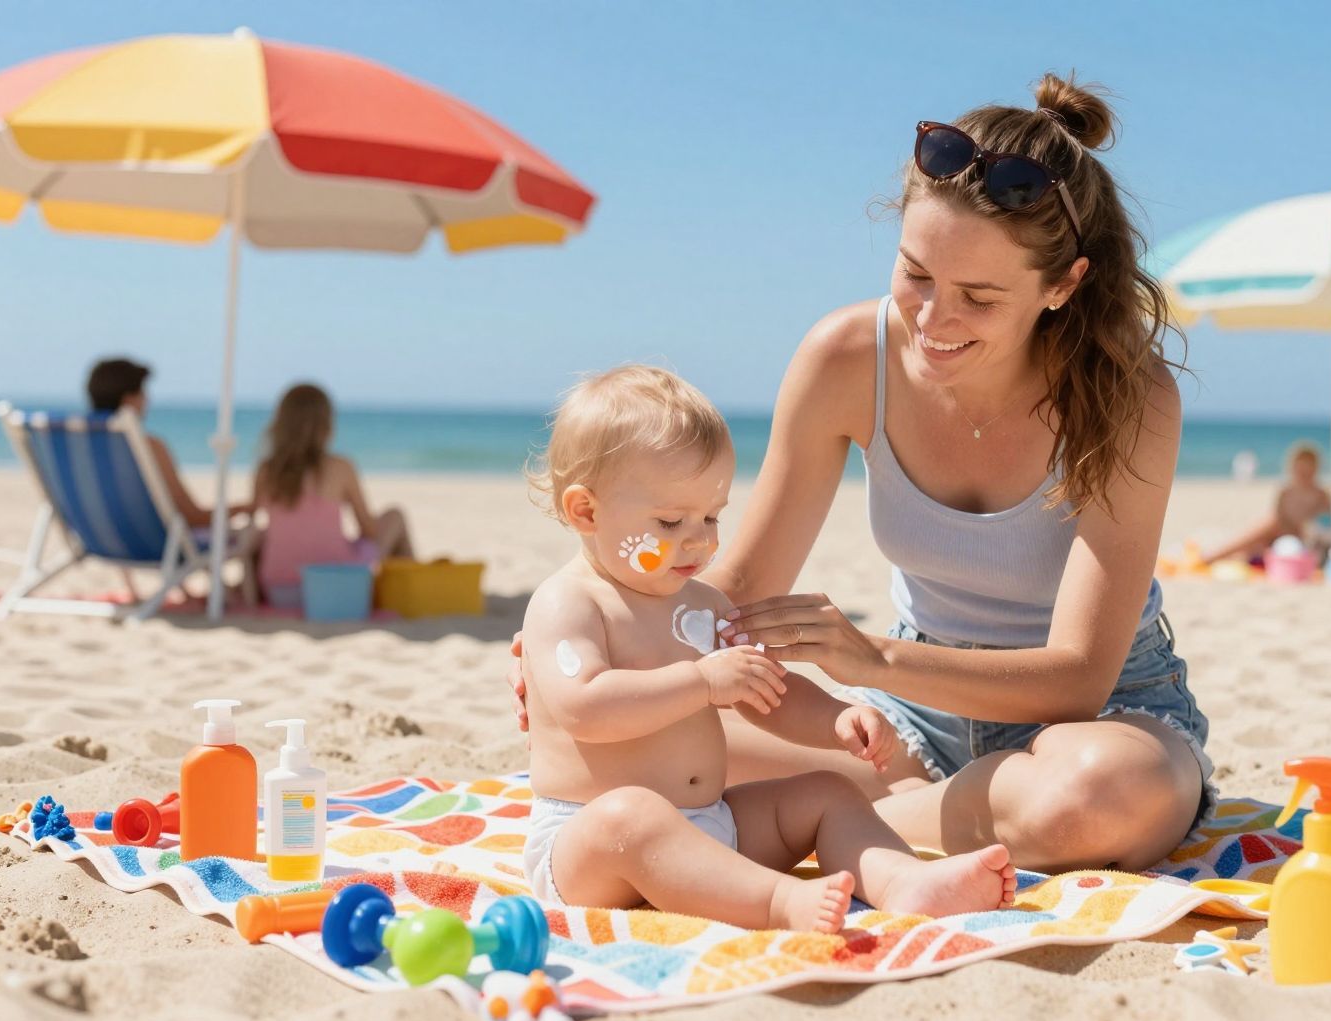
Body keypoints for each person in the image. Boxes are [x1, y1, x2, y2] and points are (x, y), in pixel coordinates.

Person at [512, 74, 1214, 874]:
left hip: (1100, 719)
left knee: (1094, 797)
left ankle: (863, 819)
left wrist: (869, 660)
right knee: (650, 752)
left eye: (978, 297)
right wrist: (593, 627)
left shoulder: (1130, 393)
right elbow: (734, 590)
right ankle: (945, 813)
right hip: (908, 723)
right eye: (916, 274)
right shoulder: (846, 358)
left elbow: (1078, 680)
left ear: (1061, 285)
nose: (932, 320)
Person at [518, 366, 1016, 931]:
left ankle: (904, 882)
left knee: (828, 792)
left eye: (711, 516)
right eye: (670, 520)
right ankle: (779, 902)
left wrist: (836, 718)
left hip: (711, 824)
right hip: (591, 844)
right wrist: (704, 682)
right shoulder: (570, 604)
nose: (701, 539)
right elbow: (585, 708)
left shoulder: (699, 605)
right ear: (586, 511)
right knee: (631, 814)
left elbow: (767, 694)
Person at [253, 384, 414, 608]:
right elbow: (368, 529)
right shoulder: (340, 467)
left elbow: (256, 515)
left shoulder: (266, 470)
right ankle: (410, 590)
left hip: (280, 590)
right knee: (395, 516)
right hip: (335, 585)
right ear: (326, 424)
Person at [86, 357, 248, 527]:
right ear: (129, 399)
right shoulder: (148, 446)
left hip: (97, 539)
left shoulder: (81, 447)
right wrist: (247, 508)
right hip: (153, 547)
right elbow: (192, 517)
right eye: (143, 393)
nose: (147, 400)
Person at [1200, 443, 1331, 564]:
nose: (1304, 471)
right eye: (1300, 467)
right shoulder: (1285, 491)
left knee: (1268, 525)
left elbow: (1324, 526)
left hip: (1302, 540)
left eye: (1308, 468)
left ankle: (1213, 556)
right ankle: (1216, 556)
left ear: (1315, 468)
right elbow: (1279, 516)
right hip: (1277, 536)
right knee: (1255, 544)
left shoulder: (1322, 495)